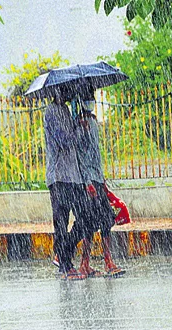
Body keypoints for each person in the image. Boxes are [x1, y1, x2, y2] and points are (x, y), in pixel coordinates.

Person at [75, 89, 125, 278]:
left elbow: (96, 154)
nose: (91, 102)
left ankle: (107, 260)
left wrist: (101, 179)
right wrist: (88, 182)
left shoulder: (93, 122)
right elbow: (81, 156)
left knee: (105, 221)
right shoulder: (80, 125)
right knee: (89, 223)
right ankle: (86, 264)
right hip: (88, 181)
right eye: (88, 99)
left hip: (97, 178)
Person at [44, 88, 91, 280]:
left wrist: (80, 127)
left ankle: (63, 252)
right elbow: (63, 140)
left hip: (73, 176)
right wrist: (77, 130)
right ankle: (65, 264)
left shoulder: (65, 110)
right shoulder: (52, 111)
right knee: (61, 223)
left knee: (87, 217)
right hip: (59, 176)